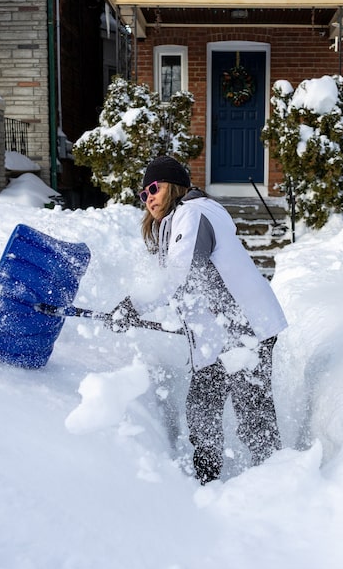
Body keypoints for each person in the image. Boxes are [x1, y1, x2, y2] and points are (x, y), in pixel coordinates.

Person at [107, 155, 288, 484]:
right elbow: (187, 286)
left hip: (245, 328)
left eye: (153, 188)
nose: (148, 198)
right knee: (202, 405)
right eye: (142, 193)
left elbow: (179, 273)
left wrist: (135, 305)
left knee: (252, 412)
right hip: (215, 334)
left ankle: (277, 480)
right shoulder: (172, 223)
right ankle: (206, 477)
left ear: (173, 187)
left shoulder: (193, 213)